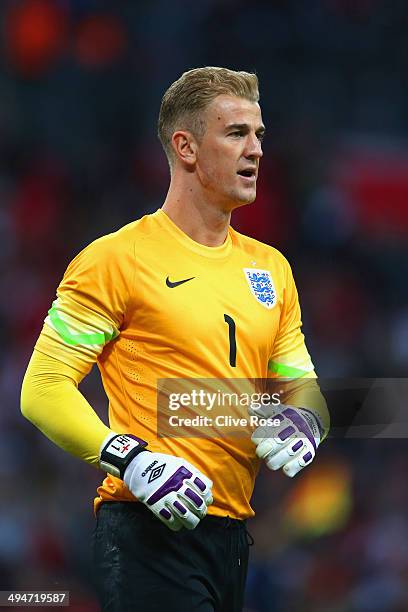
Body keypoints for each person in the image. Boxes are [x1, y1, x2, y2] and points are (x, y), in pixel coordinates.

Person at [21, 67, 330, 611]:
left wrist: (306, 419)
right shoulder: (116, 259)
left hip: (233, 539)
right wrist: (134, 461)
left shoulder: (272, 268)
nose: (256, 149)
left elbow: (302, 386)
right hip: (146, 533)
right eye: (236, 133)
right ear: (185, 147)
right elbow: (42, 388)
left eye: (260, 134)